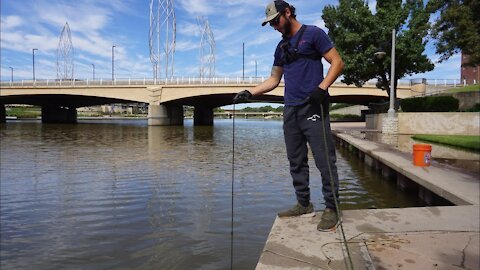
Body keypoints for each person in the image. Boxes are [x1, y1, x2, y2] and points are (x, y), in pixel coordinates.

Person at [233, 0, 344, 231]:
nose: (274, 26)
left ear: (288, 12)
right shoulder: (281, 48)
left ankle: (332, 208)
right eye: (271, 24)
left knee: (324, 160)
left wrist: (321, 88)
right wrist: (249, 93)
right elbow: (274, 80)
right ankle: (304, 203)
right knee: (296, 160)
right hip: (290, 109)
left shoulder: (313, 34)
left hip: (313, 107)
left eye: (276, 21)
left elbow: (337, 62)